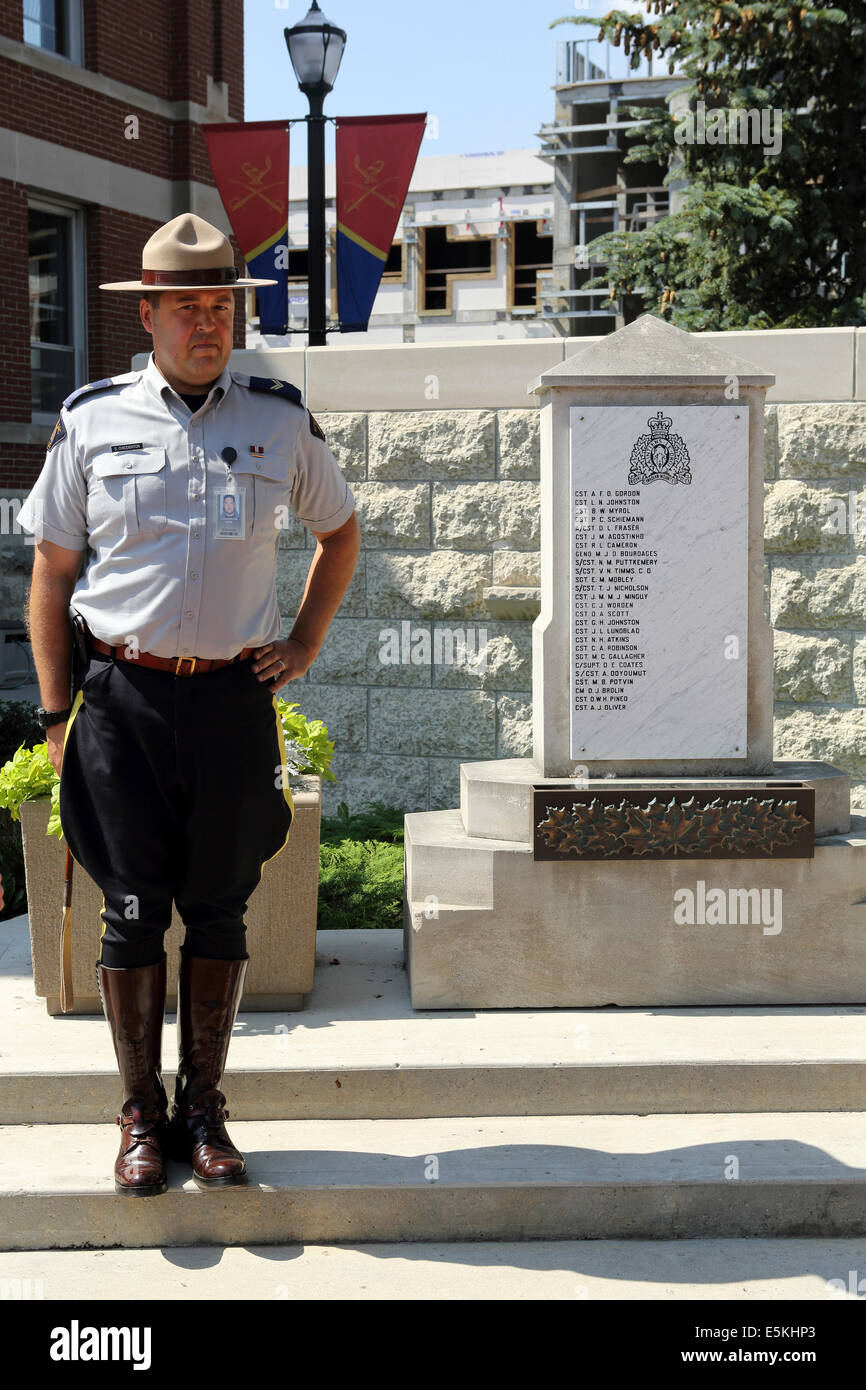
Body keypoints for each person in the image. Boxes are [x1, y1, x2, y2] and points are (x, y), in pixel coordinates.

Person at [17, 212, 361, 1197]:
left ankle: (202, 1109)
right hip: (120, 702)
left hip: (227, 706)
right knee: (128, 913)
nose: (206, 324)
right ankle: (139, 1117)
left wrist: (303, 642)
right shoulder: (93, 420)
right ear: (152, 314)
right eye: (187, 308)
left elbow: (339, 534)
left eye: (220, 306)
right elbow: (50, 573)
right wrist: (54, 716)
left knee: (218, 908)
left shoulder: (278, 420)